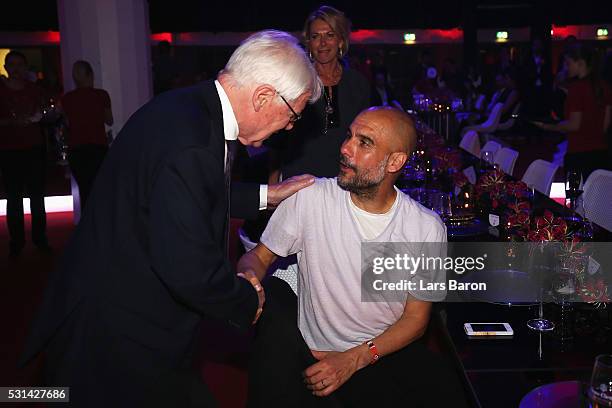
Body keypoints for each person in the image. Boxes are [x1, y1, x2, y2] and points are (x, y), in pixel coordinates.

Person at [19, 30, 321, 407]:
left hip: (122, 301)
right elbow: (189, 268)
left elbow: (185, 194)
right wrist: (247, 299)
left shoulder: (189, 108)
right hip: (120, 325)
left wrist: (267, 195)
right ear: (263, 97)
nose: (290, 127)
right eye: (293, 115)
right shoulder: (191, 142)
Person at [243, 107, 468, 407]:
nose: (345, 147)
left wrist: (355, 358)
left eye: (364, 143)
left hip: (379, 352)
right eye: (349, 136)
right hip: (314, 354)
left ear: (396, 161)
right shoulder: (311, 199)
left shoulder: (424, 228)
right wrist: (246, 280)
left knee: (453, 391)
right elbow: (259, 257)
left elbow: (416, 319)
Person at [267, 5, 370, 183]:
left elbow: (368, 139)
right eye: (315, 37)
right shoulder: (295, 81)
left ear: (340, 40)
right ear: (308, 42)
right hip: (299, 183)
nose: (322, 43)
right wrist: (272, 181)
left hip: (345, 183)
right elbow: (277, 139)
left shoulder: (358, 84)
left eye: (329, 35)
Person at [534, 43, 612, 179]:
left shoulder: (577, 88)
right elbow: (605, 126)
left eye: (568, 63)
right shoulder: (605, 87)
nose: (565, 68)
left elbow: (574, 125)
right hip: (602, 153)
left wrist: (548, 126)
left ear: (580, 63)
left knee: (575, 198)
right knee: (598, 198)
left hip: (579, 153)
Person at [0, 50, 49, 257]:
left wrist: (44, 115)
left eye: (20, 64)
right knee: (13, 198)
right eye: (12, 64)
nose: (16, 68)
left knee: (37, 196)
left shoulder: (35, 90)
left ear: (26, 67)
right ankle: (17, 242)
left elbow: (45, 112)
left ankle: (40, 239)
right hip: (9, 150)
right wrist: (11, 122)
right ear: (6, 67)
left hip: (34, 148)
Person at [60, 60, 113, 210]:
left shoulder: (67, 98)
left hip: (76, 149)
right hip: (97, 146)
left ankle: (87, 227)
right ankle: (100, 226)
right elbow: (109, 120)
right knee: (99, 189)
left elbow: (67, 124)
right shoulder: (101, 95)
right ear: (91, 75)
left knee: (85, 189)